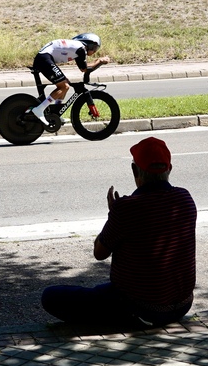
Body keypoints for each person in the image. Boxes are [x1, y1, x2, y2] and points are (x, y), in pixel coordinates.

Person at [41, 137, 197, 327]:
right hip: (181, 306)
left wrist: (112, 215)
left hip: (138, 307)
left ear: (134, 171)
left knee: (51, 296)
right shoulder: (185, 199)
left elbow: (99, 253)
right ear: (169, 169)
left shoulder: (126, 208)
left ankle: (125, 321)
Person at [29, 33, 110, 126]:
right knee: (64, 86)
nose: (95, 51)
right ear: (90, 45)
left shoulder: (77, 48)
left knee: (65, 83)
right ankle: (39, 109)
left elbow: (84, 68)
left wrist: (97, 62)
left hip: (44, 58)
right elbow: (85, 69)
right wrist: (99, 61)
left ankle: (56, 112)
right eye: (95, 48)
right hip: (44, 59)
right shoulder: (81, 49)